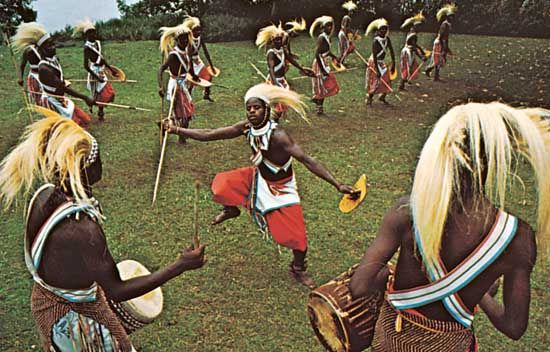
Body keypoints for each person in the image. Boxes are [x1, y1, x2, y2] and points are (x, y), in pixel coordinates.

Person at [0, 107, 207, 352]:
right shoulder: (84, 230)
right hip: (76, 318)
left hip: (47, 302)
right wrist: (180, 265)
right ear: (85, 170)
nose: (102, 164)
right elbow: (116, 291)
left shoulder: (43, 195)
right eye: (97, 159)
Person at [349, 102, 550, 351]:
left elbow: (359, 287)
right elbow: (514, 326)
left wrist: (388, 275)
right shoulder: (517, 237)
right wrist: (477, 294)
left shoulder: (408, 212)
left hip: (393, 341)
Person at [163, 83, 358, 288]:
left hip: (282, 187)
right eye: (248, 108)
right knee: (221, 184)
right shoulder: (245, 128)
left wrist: (338, 185)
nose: (252, 112)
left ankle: (298, 268)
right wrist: (175, 129)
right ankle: (231, 208)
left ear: (266, 109)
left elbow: (307, 160)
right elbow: (211, 134)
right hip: (258, 179)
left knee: (297, 236)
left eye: (256, 108)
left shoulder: (279, 136)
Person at [32, 24, 95, 128]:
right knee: (65, 129)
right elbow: (62, 87)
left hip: (60, 98)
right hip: (52, 100)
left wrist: (63, 80)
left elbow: (59, 80)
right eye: (49, 46)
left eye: (53, 44)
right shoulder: (44, 69)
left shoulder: (55, 60)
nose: (53, 47)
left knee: (84, 120)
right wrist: (85, 97)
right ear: (41, 50)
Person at [256, 24, 314, 120]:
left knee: (282, 103)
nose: (279, 41)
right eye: (276, 40)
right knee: (278, 103)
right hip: (274, 80)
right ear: (272, 41)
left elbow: (290, 59)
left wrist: (302, 69)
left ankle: (273, 120)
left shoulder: (282, 49)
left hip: (282, 80)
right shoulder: (271, 53)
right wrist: (274, 83)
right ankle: (271, 120)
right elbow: (271, 69)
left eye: (280, 39)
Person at [157, 23, 199, 144]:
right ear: (177, 40)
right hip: (175, 85)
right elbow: (161, 69)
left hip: (184, 84)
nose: (185, 41)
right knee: (182, 113)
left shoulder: (186, 51)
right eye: (182, 39)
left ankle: (171, 128)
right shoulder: (173, 55)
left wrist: (195, 77)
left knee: (186, 113)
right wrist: (160, 86)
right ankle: (179, 134)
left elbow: (189, 68)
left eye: (187, 38)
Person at [74, 18, 117, 121]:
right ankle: (100, 113)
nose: (93, 35)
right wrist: (96, 77)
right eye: (90, 33)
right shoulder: (87, 48)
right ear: (86, 36)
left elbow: (102, 59)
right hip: (94, 72)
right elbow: (86, 66)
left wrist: (111, 69)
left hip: (101, 70)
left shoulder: (98, 43)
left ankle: (100, 110)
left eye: (94, 32)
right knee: (100, 93)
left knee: (108, 93)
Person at [310, 16, 341, 115]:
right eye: (327, 26)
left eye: (331, 26)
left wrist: (334, 57)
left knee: (327, 84)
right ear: (322, 28)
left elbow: (327, 51)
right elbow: (317, 53)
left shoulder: (327, 37)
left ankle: (317, 101)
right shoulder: (321, 37)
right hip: (320, 63)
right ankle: (319, 106)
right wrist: (322, 69)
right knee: (322, 86)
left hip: (325, 62)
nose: (330, 28)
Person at [182, 16, 216, 102]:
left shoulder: (200, 38)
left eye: (199, 30)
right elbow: (189, 58)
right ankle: (188, 99)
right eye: (196, 30)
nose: (198, 32)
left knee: (209, 75)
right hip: (189, 62)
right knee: (192, 82)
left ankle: (206, 94)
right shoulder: (189, 41)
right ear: (191, 31)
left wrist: (211, 66)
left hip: (197, 60)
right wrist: (192, 72)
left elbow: (205, 52)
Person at [11, 22, 46, 105]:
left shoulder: (44, 47)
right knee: (38, 98)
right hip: (35, 77)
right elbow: (22, 65)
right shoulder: (29, 51)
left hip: (45, 75)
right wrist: (20, 78)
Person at [365, 18, 395, 106]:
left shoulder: (387, 39)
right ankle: (369, 97)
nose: (384, 31)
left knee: (387, 79)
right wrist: (377, 70)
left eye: (385, 29)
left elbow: (392, 51)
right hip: (374, 62)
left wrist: (394, 63)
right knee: (376, 81)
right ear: (378, 30)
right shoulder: (376, 41)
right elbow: (374, 56)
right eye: (382, 29)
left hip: (381, 62)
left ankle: (382, 96)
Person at [425, 3, 457, 81]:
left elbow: (446, 37)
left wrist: (446, 47)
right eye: (450, 16)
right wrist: (443, 47)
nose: (452, 18)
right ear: (447, 17)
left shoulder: (448, 25)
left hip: (442, 42)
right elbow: (442, 37)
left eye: (452, 16)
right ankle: (434, 75)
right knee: (438, 59)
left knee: (440, 60)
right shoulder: (444, 25)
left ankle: (430, 70)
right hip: (439, 42)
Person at [399, 12, 427, 90]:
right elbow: (414, 47)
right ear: (415, 26)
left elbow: (415, 45)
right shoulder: (413, 35)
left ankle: (404, 83)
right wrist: (421, 56)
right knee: (406, 68)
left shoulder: (412, 32)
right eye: (419, 26)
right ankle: (401, 85)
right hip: (407, 52)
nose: (420, 28)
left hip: (409, 52)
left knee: (410, 67)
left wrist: (421, 50)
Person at [338, 1, 358, 65]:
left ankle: (341, 61)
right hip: (343, 34)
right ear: (349, 12)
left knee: (344, 48)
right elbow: (345, 27)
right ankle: (341, 62)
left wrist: (353, 33)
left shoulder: (346, 17)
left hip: (342, 33)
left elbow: (347, 28)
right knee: (346, 48)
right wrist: (348, 38)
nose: (352, 13)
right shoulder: (347, 18)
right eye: (351, 11)